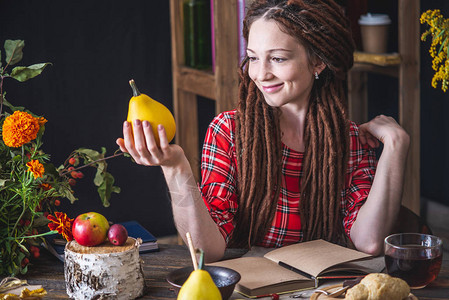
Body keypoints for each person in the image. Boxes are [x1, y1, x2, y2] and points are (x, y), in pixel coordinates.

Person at [116, 0, 410, 263]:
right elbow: (206, 250)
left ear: (318, 61)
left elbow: (370, 242)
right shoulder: (228, 131)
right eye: (254, 57)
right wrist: (176, 167)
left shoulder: (349, 141)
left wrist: (396, 145)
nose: (260, 73)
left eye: (278, 58)